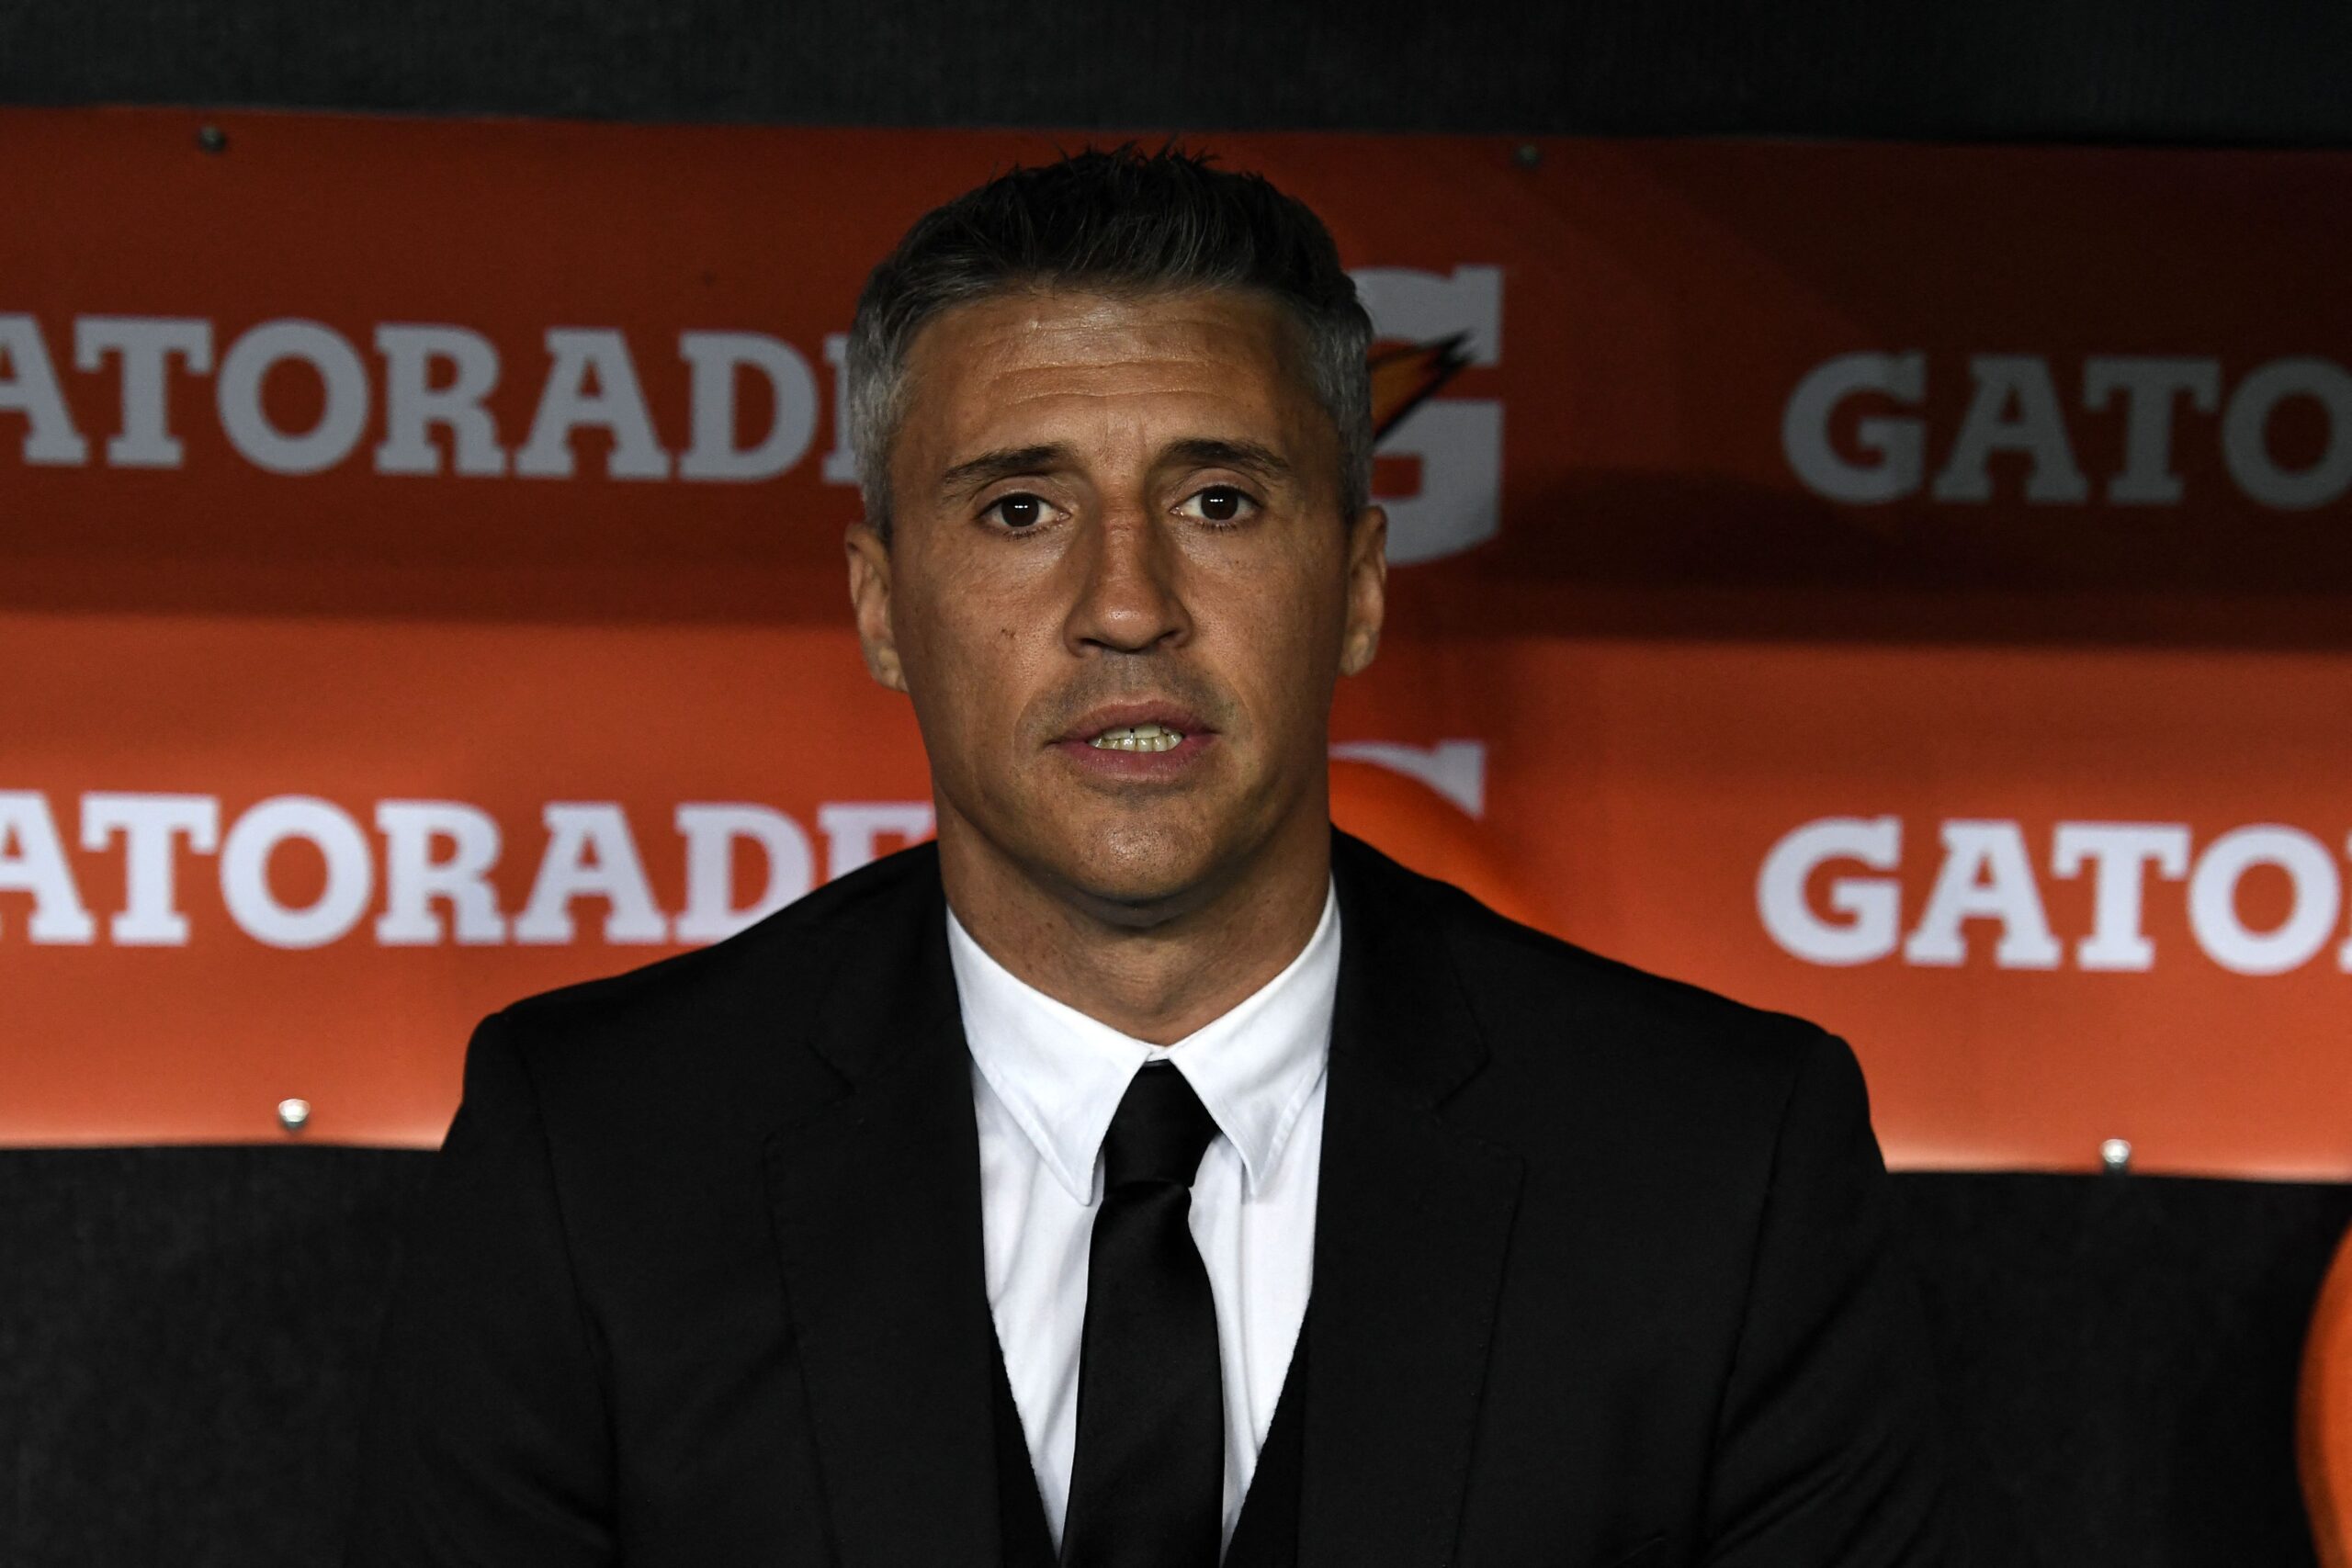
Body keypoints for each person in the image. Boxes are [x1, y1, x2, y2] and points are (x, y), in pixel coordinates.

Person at [345, 145, 1955, 1568]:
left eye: (1221, 502)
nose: (1127, 604)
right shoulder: (598, 1159)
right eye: (1021, 510)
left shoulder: (1720, 1168)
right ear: (881, 606)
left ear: (1360, 584)